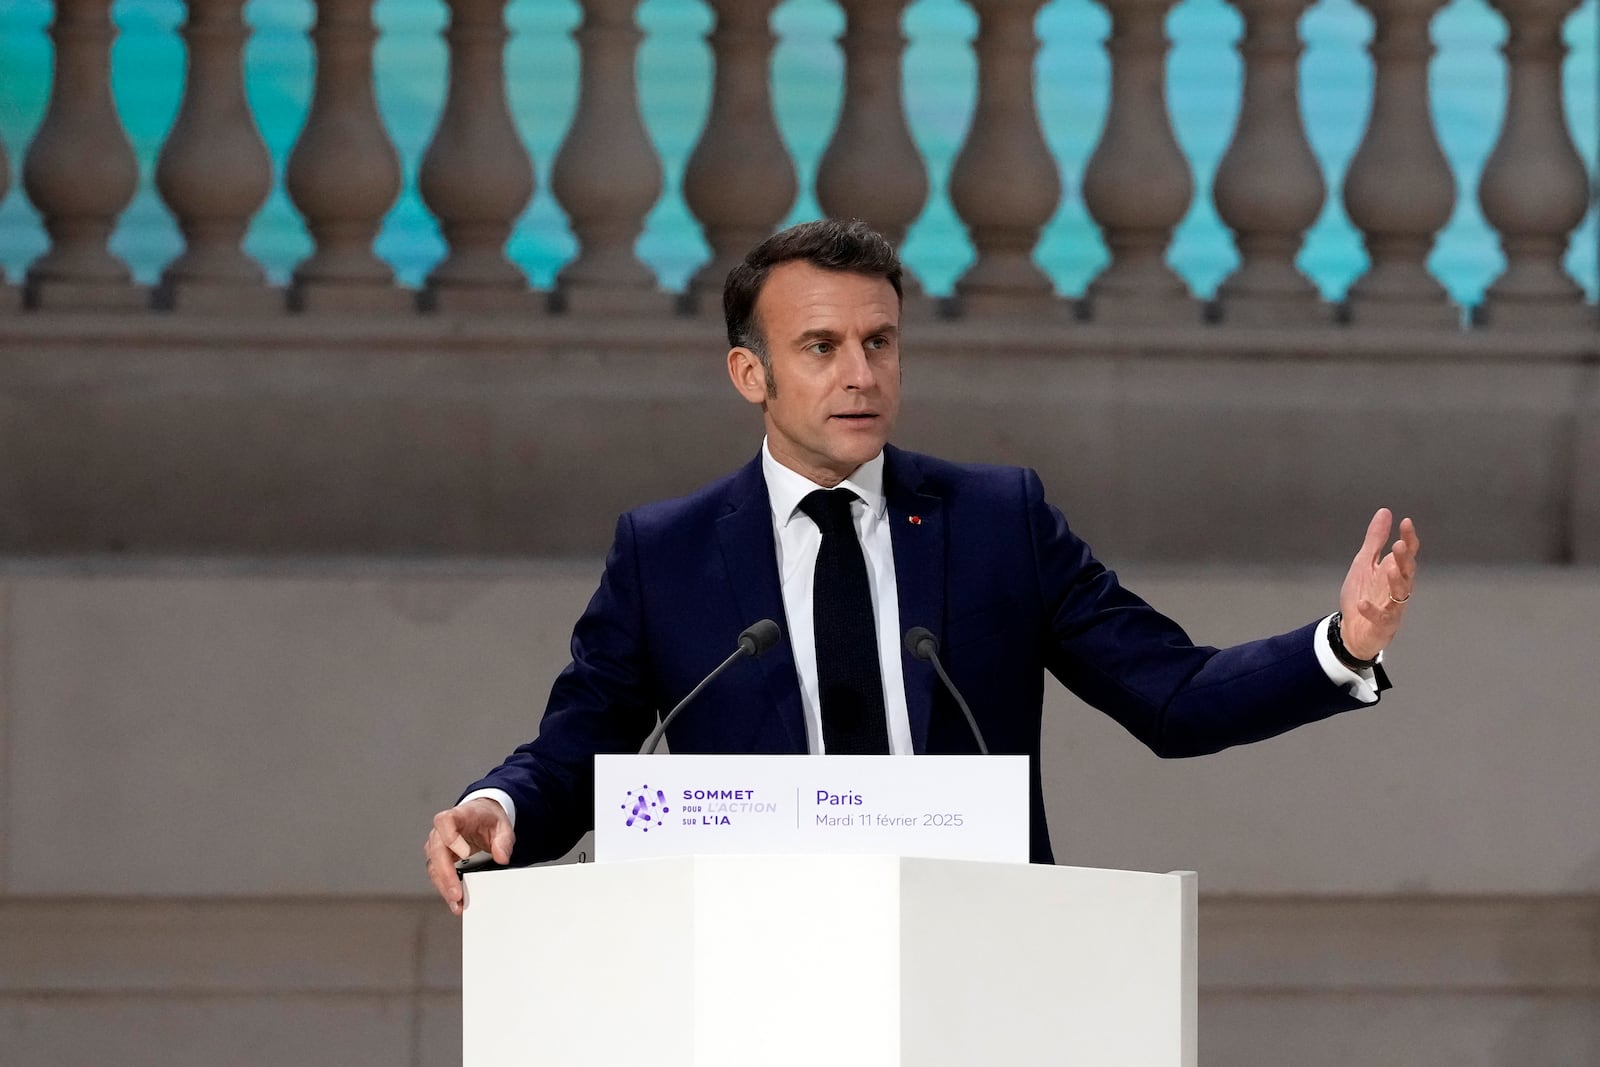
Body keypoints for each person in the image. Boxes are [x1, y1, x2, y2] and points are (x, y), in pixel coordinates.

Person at [424, 219, 1419, 914]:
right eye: (820, 346)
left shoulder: (997, 520)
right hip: (746, 965)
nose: (860, 372)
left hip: (975, 959)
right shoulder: (667, 551)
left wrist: (1342, 644)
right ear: (749, 374)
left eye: (879, 341)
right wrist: (493, 807)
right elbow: (579, 749)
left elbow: (1174, 694)